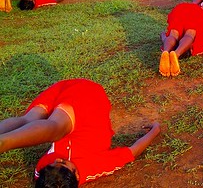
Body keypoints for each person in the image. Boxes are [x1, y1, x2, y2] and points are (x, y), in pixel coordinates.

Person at [0, 79, 161, 186]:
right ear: (77, 176)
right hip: (88, 98)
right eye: (63, 163)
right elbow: (134, 151)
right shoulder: (94, 166)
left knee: (28, 120)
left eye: (53, 163)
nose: (57, 159)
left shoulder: (42, 174)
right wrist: (155, 130)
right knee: (54, 127)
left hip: (60, 92)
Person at [159, 2, 203, 77]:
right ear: (191, 47)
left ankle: (172, 53)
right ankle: (175, 53)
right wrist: (162, 35)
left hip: (188, 11)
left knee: (187, 34)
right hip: (182, 10)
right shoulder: (198, 48)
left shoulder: (199, 47)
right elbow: (163, 37)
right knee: (179, 34)